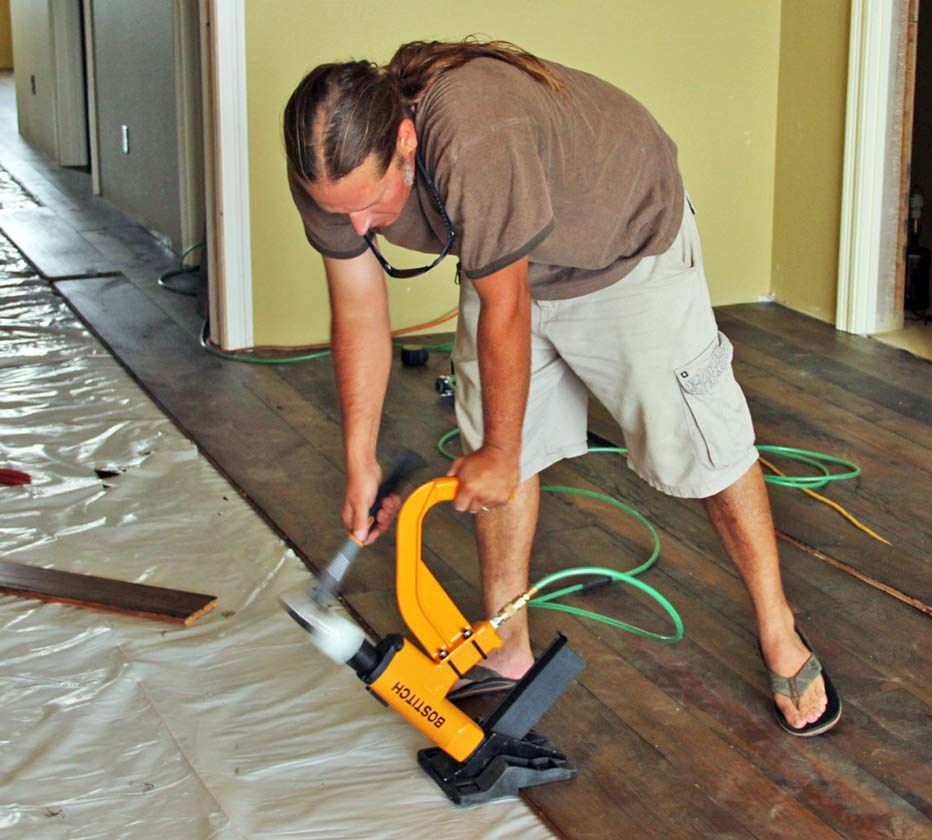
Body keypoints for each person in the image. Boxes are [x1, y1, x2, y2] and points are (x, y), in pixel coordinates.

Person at [283, 39, 840, 736]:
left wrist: (501, 452)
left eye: (371, 205)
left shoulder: (476, 133)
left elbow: (506, 308)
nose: (358, 227)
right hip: (511, 261)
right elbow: (360, 310)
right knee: (492, 444)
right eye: (341, 214)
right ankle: (506, 645)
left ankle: (778, 627)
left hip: (622, 244)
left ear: (406, 141)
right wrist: (360, 455)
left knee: (704, 448)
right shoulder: (326, 167)